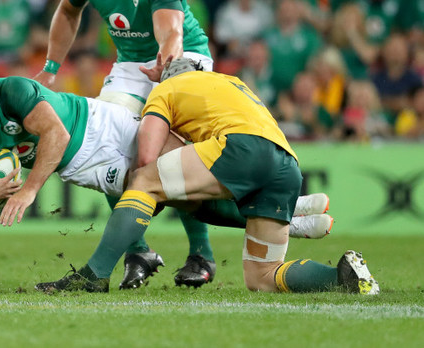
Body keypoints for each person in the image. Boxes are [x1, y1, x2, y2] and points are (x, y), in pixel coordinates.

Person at [0, 74, 332, 283]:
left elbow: (57, 134)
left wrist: (30, 189)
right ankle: (288, 216)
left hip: (101, 128)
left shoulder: (10, 91)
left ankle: (200, 252)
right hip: (85, 167)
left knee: (170, 179)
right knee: (185, 197)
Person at [35, 58, 379, 295]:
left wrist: (143, 198)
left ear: (169, 74)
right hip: (286, 163)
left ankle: (93, 276)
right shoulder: (230, 83)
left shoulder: (168, 90)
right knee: (262, 277)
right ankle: (343, 277)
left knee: (144, 181)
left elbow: (146, 155)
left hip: (240, 149)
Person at [33, 0, 218, 289]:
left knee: (177, 152)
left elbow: (172, 32)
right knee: (106, 146)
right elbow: (69, 10)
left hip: (183, 56)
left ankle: (201, 254)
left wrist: (165, 80)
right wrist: (50, 67)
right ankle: (138, 250)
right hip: (131, 66)